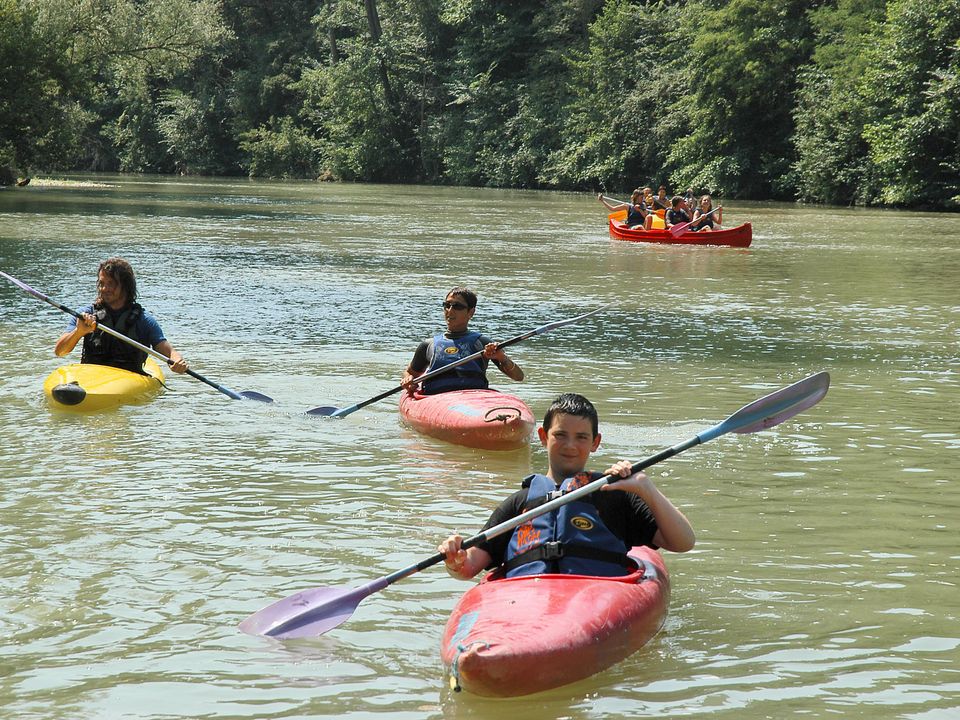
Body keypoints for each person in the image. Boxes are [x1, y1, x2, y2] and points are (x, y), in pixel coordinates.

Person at [439, 393, 695, 579]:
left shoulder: (614, 495)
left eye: (581, 437)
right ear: (543, 437)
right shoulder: (520, 503)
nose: (570, 445)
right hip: (528, 597)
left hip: (595, 596)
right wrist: (455, 559)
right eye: (560, 435)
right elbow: (470, 566)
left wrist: (645, 487)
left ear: (595, 442)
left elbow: (683, 542)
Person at [55, 257, 188, 375]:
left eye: (111, 284)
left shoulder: (144, 320)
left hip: (128, 378)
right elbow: (60, 352)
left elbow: (167, 350)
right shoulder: (85, 316)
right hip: (92, 377)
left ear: (125, 286)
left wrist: (177, 360)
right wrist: (79, 332)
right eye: (101, 283)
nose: (104, 289)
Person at [402, 287, 523, 395]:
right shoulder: (428, 345)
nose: (450, 310)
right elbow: (410, 372)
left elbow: (518, 377)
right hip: (436, 398)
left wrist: (502, 358)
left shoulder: (483, 343)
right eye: (447, 305)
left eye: (457, 306)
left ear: (471, 312)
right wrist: (408, 380)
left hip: (473, 397)